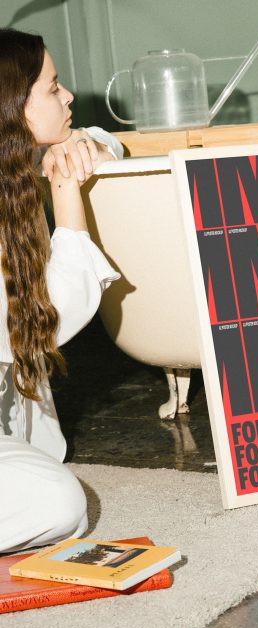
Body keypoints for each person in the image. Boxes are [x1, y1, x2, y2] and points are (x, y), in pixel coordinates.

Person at [0, 28, 123, 553]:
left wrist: (82, 145)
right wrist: (67, 190)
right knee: (60, 505)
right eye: (52, 89)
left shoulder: (10, 170)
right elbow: (44, 320)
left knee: (52, 488)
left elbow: (113, 142)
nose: (68, 95)